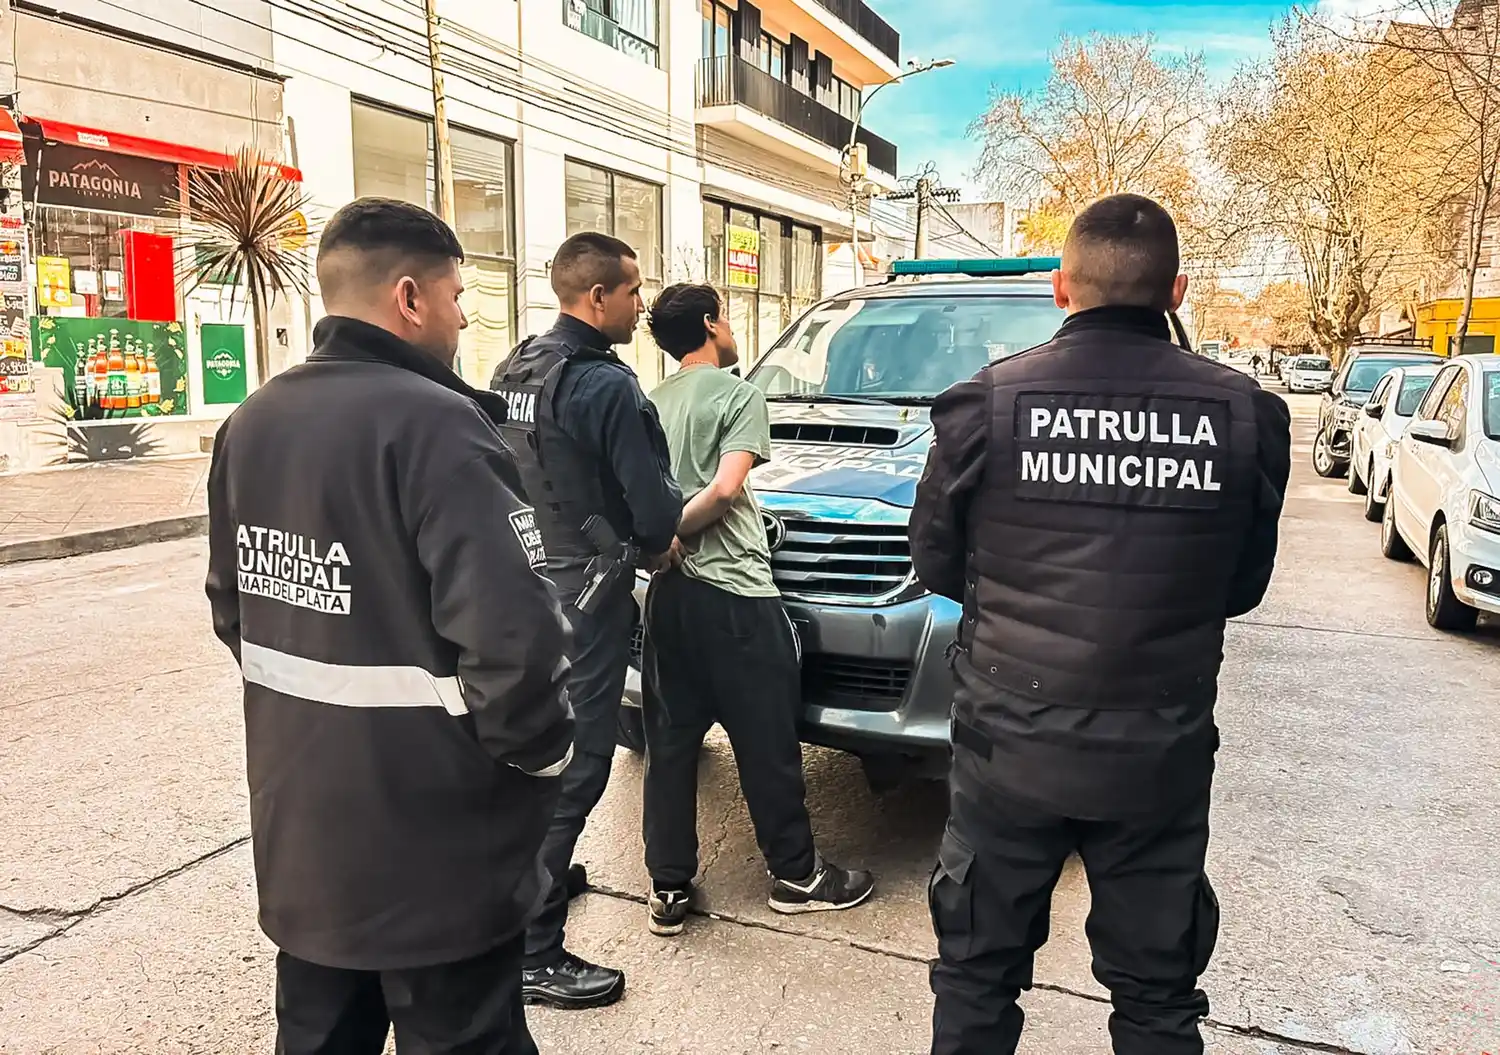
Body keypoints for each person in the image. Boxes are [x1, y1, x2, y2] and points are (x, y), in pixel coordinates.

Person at [910, 194, 1292, 1055]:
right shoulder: (1243, 414)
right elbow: (1243, 584)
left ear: (1059, 288)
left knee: (976, 978)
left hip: (1009, 748)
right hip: (1157, 754)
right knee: (1157, 998)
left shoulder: (988, 404)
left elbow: (937, 564)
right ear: (1178, 291)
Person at [204, 198, 574, 1054]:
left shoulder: (251, 421)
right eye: (455, 297)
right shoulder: (440, 425)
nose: (462, 316)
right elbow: (516, 644)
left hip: (306, 833)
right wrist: (537, 757)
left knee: (320, 1033)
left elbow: (235, 609)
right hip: (438, 845)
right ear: (409, 297)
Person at [638, 283, 877, 936]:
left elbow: (636, 498)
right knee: (767, 741)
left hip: (669, 599)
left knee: (671, 742)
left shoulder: (648, 403)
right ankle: (798, 876)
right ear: (712, 326)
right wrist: (677, 527)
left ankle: (667, 884)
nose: (734, 328)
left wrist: (657, 540)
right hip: (738, 597)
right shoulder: (740, 395)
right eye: (729, 317)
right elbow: (725, 487)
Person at [490, 232, 683, 1009]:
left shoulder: (519, 364)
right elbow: (656, 506)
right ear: (597, 297)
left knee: (529, 751)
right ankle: (536, 951)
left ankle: (531, 884)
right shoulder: (606, 384)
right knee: (582, 763)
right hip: (591, 593)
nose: (643, 303)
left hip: (527, 578)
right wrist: (653, 543)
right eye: (634, 290)